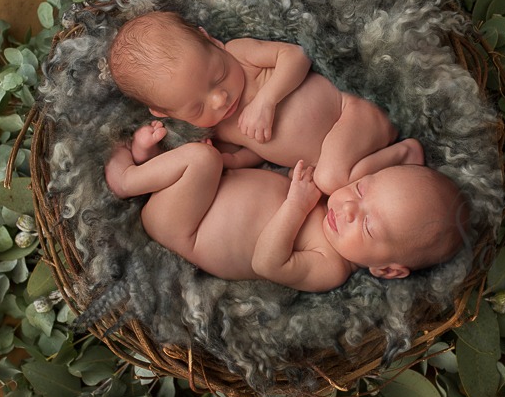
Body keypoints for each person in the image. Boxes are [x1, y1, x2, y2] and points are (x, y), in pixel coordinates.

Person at [104, 122, 468, 292]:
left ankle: (127, 181)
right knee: (210, 159)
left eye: (370, 227)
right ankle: (150, 162)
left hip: (184, 225)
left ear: (387, 270)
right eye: (359, 190)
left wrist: (296, 205)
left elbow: (268, 262)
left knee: (202, 160)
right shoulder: (337, 208)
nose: (349, 208)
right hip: (199, 194)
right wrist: (406, 155)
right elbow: (375, 177)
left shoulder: (331, 266)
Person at [107, 11, 420, 193]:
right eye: (197, 108)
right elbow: (255, 151)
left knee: (330, 180)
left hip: (349, 115)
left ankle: (406, 152)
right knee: (335, 190)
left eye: (217, 77)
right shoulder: (215, 129)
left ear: (211, 41)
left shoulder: (240, 54)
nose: (218, 99)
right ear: (166, 113)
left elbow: (295, 56)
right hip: (336, 155)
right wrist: (233, 162)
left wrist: (266, 100)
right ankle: (388, 169)